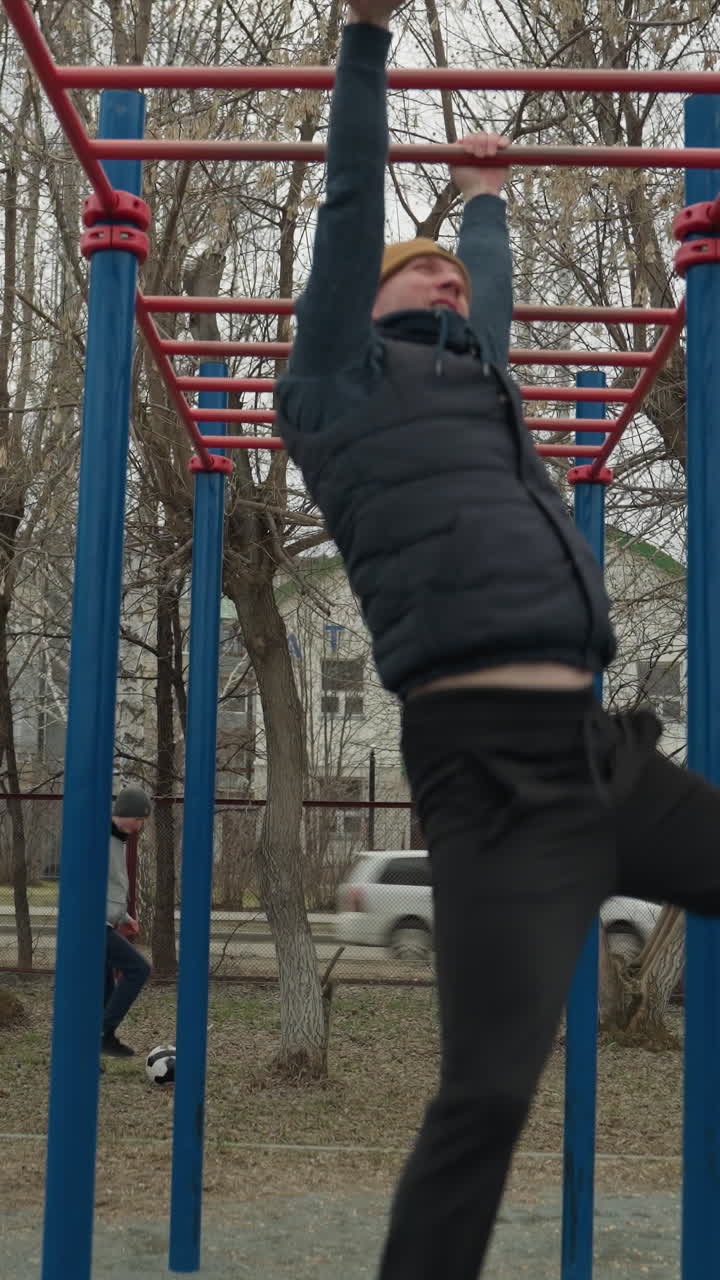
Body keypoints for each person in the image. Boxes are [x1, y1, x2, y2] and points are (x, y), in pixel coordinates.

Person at [276, 3, 720, 1277]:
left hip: (601, 754)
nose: (451, 280)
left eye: (456, 275)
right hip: (488, 777)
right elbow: (348, 209)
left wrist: (483, 203)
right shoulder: (336, 382)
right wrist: (367, 39)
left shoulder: (480, 390)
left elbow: (494, 310)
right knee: (484, 1096)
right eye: (426, 269)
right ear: (361, 302)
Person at [102, 787, 152, 1058]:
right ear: (126, 813)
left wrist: (124, 918)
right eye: (139, 819)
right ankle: (102, 1032)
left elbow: (112, 887)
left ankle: (101, 1041)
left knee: (105, 993)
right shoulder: (102, 836)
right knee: (138, 969)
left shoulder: (118, 839)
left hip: (107, 923)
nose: (140, 826)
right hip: (93, 927)